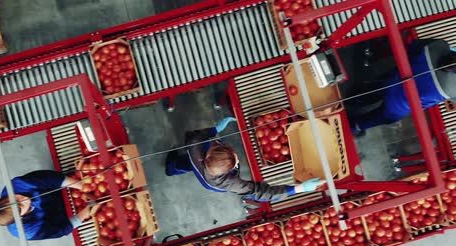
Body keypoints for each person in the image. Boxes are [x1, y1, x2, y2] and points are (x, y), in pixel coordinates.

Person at [165, 117, 325, 202]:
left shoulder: (196, 145)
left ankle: (171, 168)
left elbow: (197, 135)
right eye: (235, 160)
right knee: (191, 165)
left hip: (197, 163)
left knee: (189, 164)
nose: (237, 158)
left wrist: (214, 129)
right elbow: (261, 193)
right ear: (228, 172)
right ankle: (172, 168)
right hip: (209, 183)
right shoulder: (230, 183)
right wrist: (298, 189)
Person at [349, 39, 456, 134]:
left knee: (373, 91)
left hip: (391, 82)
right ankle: (355, 125)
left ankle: (355, 100)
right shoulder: (453, 88)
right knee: (380, 117)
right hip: (400, 106)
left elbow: (412, 47)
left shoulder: (438, 45)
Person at [0, 170, 92, 241]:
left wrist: (82, 186)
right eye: (21, 205)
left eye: (15, 198)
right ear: (20, 217)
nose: (23, 199)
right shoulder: (27, 231)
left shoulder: (14, 186)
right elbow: (59, 230)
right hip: (58, 216)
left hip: (56, 190)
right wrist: (85, 213)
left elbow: (48, 178)